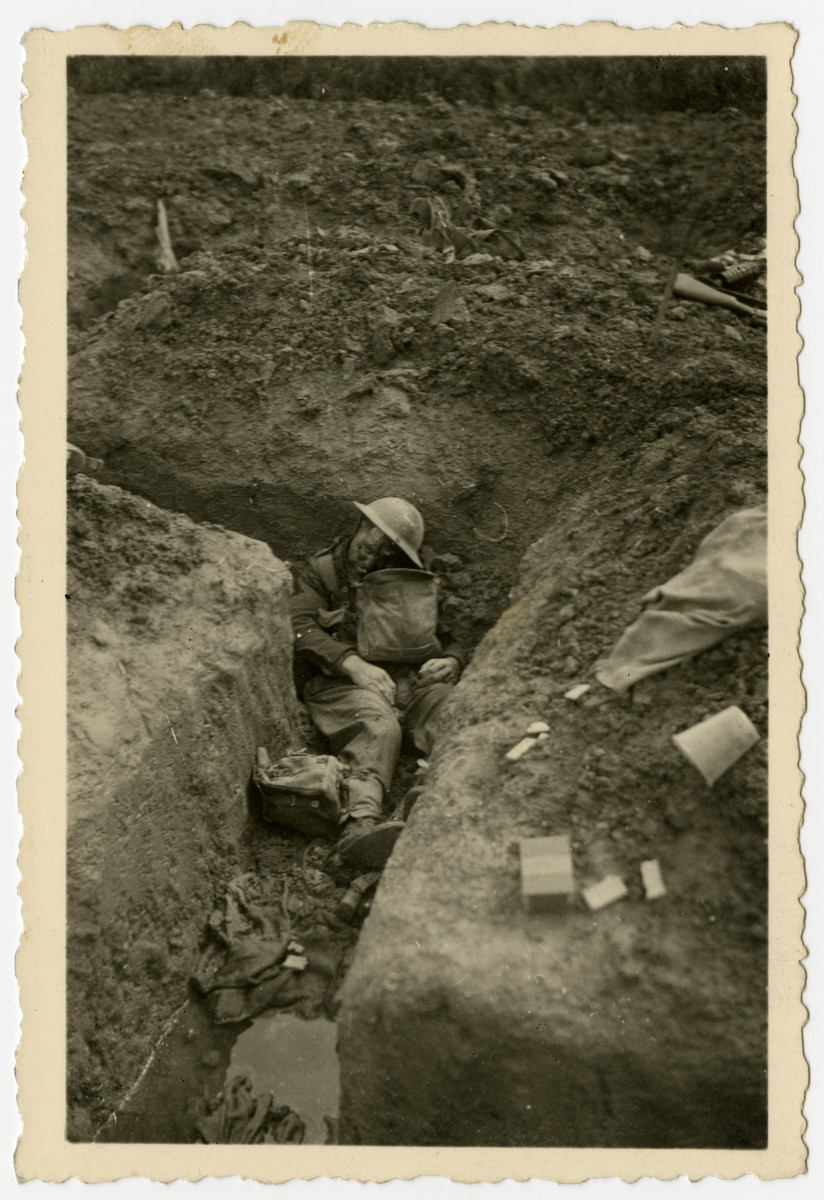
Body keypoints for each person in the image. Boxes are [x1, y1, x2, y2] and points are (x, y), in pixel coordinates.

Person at [289, 497, 466, 869]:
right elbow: (299, 626)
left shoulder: (412, 577)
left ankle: (428, 800)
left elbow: (450, 635)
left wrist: (450, 661)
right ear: (358, 526)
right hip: (342, 686)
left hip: (410, 684)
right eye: (367, 542)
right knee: (380, 729)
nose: (368, 556)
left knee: (449, 708)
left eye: (383, 551)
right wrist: (351, 663)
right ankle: (360, 824)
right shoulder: (322, 573)